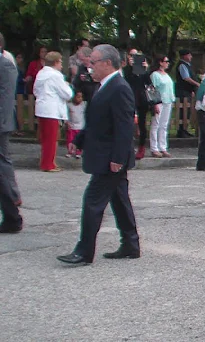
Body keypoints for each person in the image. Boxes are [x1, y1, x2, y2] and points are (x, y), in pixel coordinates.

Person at [57, 44, 140, 265]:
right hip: (106, 155)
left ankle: (84, 252)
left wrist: (118, 159)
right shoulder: (104, 86)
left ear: (107, 63)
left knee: (93, 201)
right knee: (120, 199)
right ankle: (131, 244)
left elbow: (124, 127)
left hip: (110, 158)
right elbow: (96, 121)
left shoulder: (119, 88)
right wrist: (79, 139)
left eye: (93, 62)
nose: (89, 65)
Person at [33, 51, 74, 172]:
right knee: (51, 138)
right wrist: (67, 85)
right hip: (52, 110)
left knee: (46, 138)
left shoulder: (41, 73)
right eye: (60, 62)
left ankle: (47, 162)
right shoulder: (56, 75)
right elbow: (67, 94)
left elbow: (35, 90)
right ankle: (48, 164)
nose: (61, 65)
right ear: (55, 62)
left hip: (41, 108)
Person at [0, 34, 23, 233]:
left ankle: (12, 213)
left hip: (1, 124)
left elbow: (5, 99)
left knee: (2, 167)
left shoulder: (5, 65)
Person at [122, 49, 151, 159]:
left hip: (141, 99)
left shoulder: (142, 70)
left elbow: (148, 84)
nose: (134, 57)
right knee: (128, 124)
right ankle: (128, 147)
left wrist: (145, 69)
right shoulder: (126, 70)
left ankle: (141, 148)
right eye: (132, 55)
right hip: (129, 99)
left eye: (136, 55)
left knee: (142, 125)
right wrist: (130, 67)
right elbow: (126, 80)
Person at [149, 55, 175, 158]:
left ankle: (163, 147)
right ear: (160, 62)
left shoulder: (166, 75)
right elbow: (152, 89)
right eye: (166, 61)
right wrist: (154, 103)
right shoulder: (155, 75)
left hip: (168, 101)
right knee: (156, 124)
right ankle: (154, 148)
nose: (168, 63)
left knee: (164, 125)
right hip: (159, 101)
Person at [175, 49, 199, 138]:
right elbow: (186, 78)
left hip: (188, 91)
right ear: (184, 56)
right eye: (189, 55)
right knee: (183, 111)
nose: (191, 57)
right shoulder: (182, 65)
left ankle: (185, 129)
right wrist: (196, 84)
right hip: (183, 91)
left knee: (187, 111)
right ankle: (181, 130)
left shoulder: (188, 65)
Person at [66, 91, 86, 159]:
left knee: (80, 140)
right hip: (71, 126)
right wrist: (67, 122)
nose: (80, 99)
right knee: (70, 140)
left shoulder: (84, 105)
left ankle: (78, 152)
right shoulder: (69, 105)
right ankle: (70, 151)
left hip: (81, 126)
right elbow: (66, 114)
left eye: (81, 97)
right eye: (78, 97)